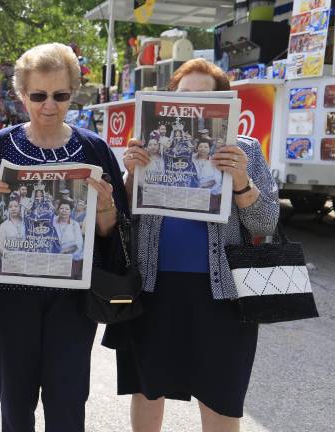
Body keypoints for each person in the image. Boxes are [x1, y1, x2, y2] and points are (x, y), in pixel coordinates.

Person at [0, 43, 128, 432]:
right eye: (39, 95)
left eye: (61, 95)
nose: (50, 105)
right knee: (15, 406)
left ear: (73, 93)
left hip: (74, 299)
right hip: (10, 298)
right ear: (20, 95)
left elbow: (114, 235)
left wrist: (106, 208)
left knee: (68, 405)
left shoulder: (93, 148)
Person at [111, 58, 279, 432]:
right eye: (185, 96)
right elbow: (119, 222)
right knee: (147, 389)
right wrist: (130, 177)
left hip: (223, 294)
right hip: (153, 287)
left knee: (220, 396)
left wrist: (240, 182)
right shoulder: (149, 144)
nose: (193, 105)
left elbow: (266, 223)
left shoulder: (246, 150)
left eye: (205, 97)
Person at [53, 199, 84, 277]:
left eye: (67, 209)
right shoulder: (52, 221)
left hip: (70, 259)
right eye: (61, 208)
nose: (64, 211)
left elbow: (78, 244)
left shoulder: (75, 224)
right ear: (58, 210)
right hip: (53, 258)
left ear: (71, 211)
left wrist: (64, 252)